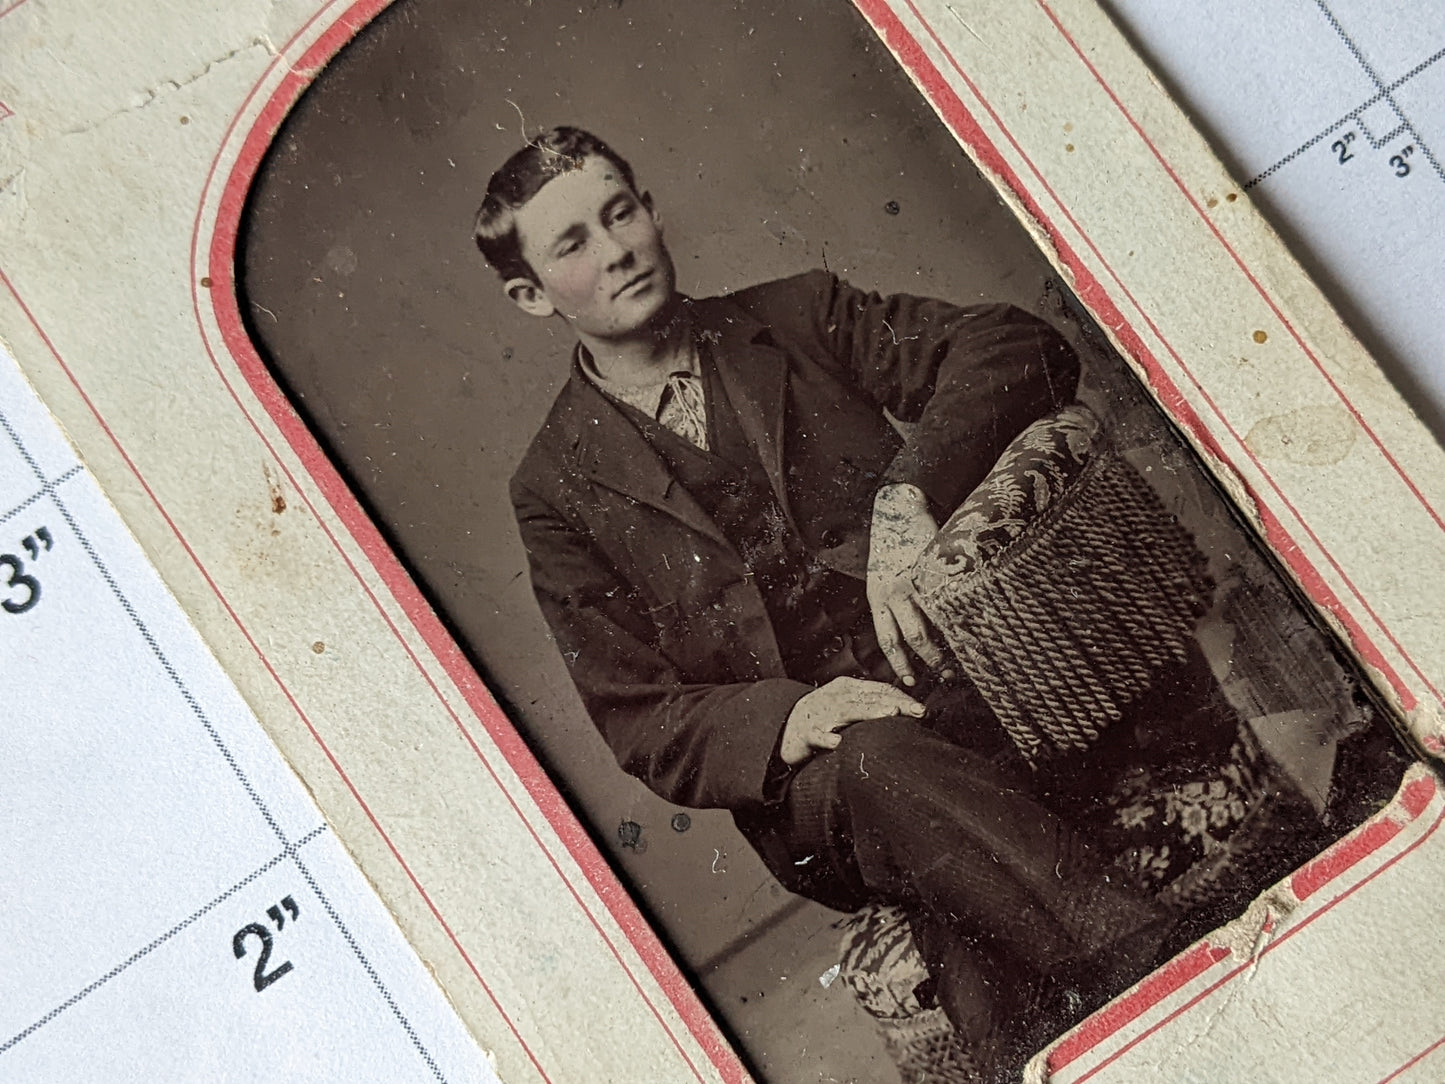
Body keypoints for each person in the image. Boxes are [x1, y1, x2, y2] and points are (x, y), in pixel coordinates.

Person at [476, 126, 1182, 1073]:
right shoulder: (554, 487)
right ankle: (1167, 970)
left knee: (962, 919)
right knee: (881, 764)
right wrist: (796, 714)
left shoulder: (797, 316)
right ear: (528, 295)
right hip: (817, 796)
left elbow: (1016, 344)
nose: (618, 250)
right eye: (573, 244)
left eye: (622, 211)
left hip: (975, 697)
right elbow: (636, 718)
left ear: (648, 206)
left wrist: (909, 493)